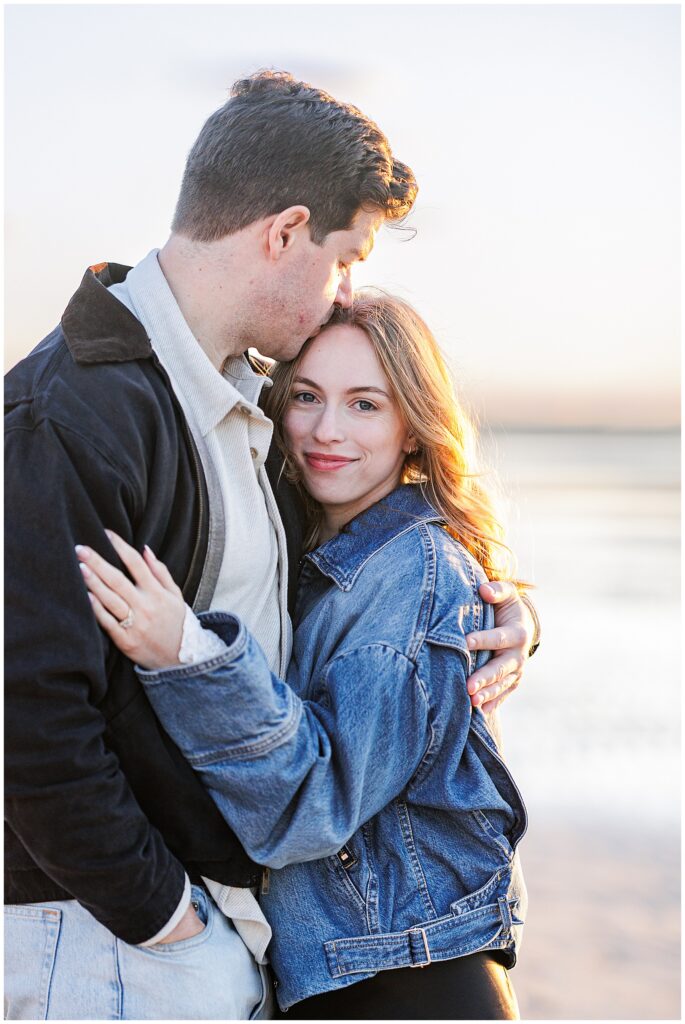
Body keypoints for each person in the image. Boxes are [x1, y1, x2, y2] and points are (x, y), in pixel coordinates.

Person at [4, 71, 537, 1020]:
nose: (346, 287)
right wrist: (170, 925)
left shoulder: (241, 413)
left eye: (365, 404)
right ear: (285, 232)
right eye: (346, 258)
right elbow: (29, 719)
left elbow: (381, 580)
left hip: (262, 939)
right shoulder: (73, 413)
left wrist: (496, 607)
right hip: (115, 934)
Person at [77, 292, 530, 1020]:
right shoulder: (310, 550)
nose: (326, 430)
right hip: (346, 973)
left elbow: (312, 810)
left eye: (364, 405)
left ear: (413, 428)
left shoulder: (414, 575)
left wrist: (189, 655)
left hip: (407, 984)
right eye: (308, 397)